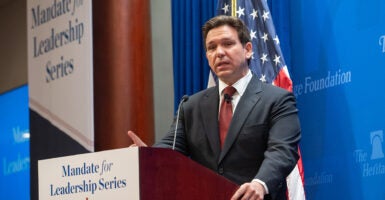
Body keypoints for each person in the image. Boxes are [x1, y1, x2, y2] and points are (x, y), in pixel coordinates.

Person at [127, 15, 301, 200]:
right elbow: (170, 149)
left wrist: (260, 183)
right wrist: (148, 156)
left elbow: (282, 151)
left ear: (248, 50)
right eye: (212, 47)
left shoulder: (277, 100)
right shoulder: (191, 106)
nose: (219, 52)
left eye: (227, 44)